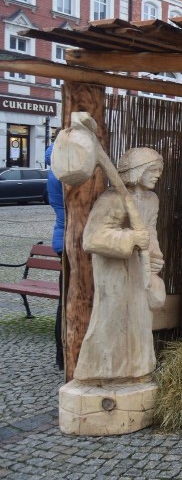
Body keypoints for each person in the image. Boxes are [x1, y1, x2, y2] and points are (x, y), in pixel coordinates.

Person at [75, 148, 165, 382]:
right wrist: (131, 238)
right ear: (138, 171)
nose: (157, 175)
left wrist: (155, 256)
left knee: (140, 319)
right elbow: (92, 238)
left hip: (139, 269)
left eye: (159, 171)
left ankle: (138, 370)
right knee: (111, 319)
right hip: (113, 270)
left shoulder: (151, 200)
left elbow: (150, 230)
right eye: (153, 170)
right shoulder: (113, 198)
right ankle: (101, 372)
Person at [45, 144, 65, 371]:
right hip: (68, 241)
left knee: (66, 299)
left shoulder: (57, 165)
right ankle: (63, 353)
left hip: (63, 239)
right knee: (68, 300)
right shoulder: (64, 168)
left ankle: (62, 353)